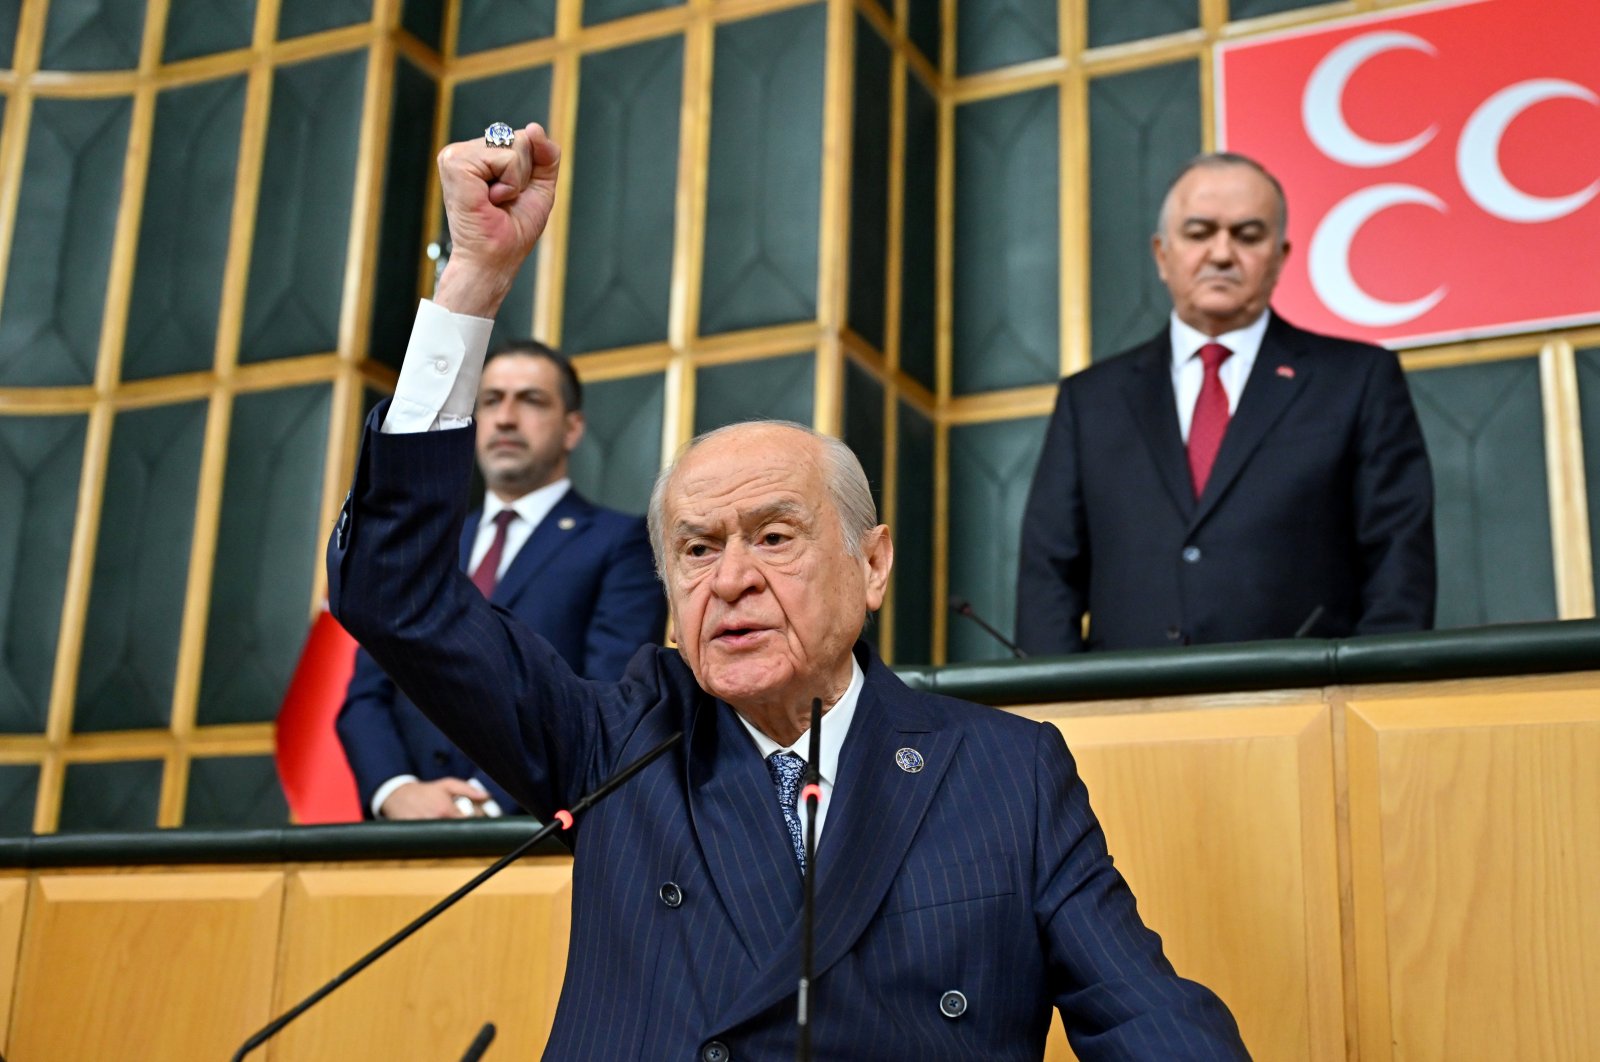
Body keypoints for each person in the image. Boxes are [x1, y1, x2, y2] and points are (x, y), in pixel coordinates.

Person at [328, 121, 1249, 1058]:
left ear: (874, 563)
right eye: (696, 550)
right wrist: (471, 281)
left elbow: (1142, 1010)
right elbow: (394, 592)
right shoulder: (617, 745)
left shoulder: (1008, 772)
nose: (731, 580)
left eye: (774, 538)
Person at [1016, 152, 1435, 654]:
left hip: (1304, 710)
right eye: (1198, 232)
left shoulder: (1357, 380)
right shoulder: (1090, 401)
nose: (1221, 253)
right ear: (1161, 254)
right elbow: (1048, 578)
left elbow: (1398, 564)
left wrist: (1370, 694)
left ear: (1280, 257)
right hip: (1123, 711)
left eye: (1248, 235)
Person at [336, 338, 666, 819]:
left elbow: (609, 695)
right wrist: (396, 790)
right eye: (490, 401)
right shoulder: (425, 547)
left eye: (530, 400)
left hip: (531, 828)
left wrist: (486, 801)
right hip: (402, 835)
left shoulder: (621, 543)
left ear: (572, 428)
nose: (506, 418)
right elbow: (368, 692)